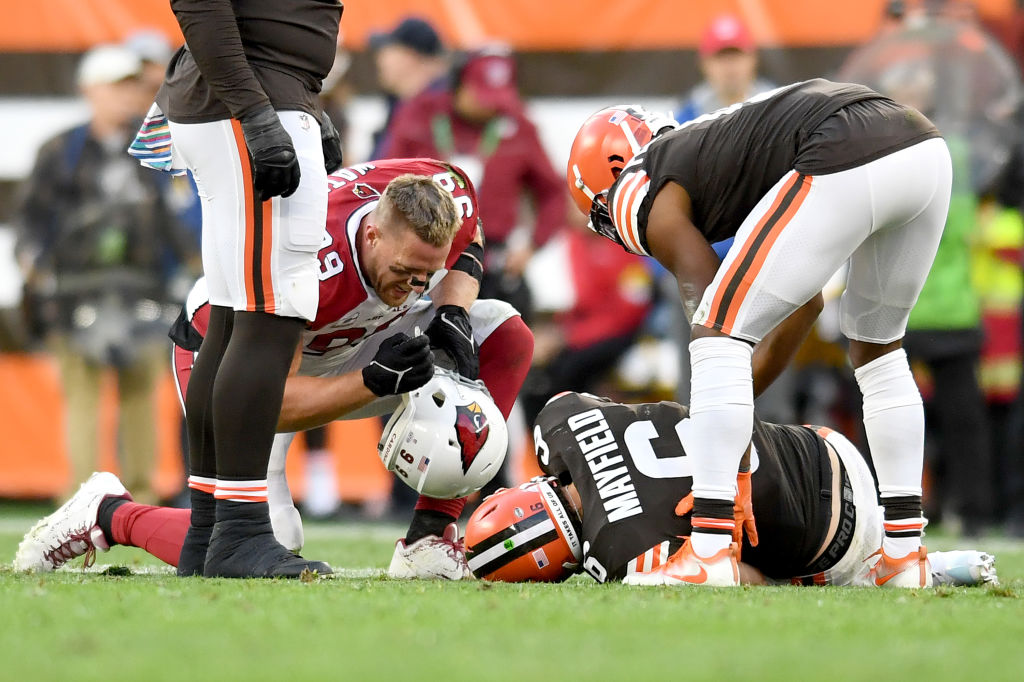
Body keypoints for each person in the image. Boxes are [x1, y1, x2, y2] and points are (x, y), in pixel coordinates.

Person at [566, 80, 951, 587]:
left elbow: (715, 326)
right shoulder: (722, 158)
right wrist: (734, 450)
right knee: (878, 353)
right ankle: (903, 558)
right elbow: (804, 301)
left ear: (611, 172)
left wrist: (725, 466)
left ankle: (707, 551)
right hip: (922, 149)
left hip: (845, 147)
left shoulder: (636, 184)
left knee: (715, 331)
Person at [170, 160, 533, 578]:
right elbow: (266, 405)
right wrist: (374, 379)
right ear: (372, 235)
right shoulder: (309, 260)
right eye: (403, 271)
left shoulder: (449, 194)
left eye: (426, 275)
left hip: (340, 341)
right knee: (254, 539)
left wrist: (453, 309)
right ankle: (111, 515)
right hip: (236, 363)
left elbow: (471, 236)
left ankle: (429, 538)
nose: (415, 288)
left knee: (504, 333)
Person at [151, 0, 344, 578]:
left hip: (256, 102)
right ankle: (238, 533)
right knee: (269, 317)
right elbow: (200, 5)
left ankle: (210, 531)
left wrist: (303, 104)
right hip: (248, 108)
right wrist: (260, 114)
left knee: (236, 318)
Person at [464, 392, 998, 588]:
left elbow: (741, 576)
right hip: (826, 448)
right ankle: (905, 554)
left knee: (734, 564)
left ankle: (881, 570)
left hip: (832, 545)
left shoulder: (620, 554)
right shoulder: (562, 418)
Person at [13, 45, 199, 505]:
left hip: (144, 292)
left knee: (140, 398)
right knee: (82, 398)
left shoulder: (159, 150)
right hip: (75, 294)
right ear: (89, 91)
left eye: (133, 86)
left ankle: (139, 500)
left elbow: (179, 221)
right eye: (117, 86)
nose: (128, 96)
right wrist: (35, 271)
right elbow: (31, 222)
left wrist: (192, 274)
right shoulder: (60, 152)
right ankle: (80, 500)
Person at [382, 47, 566, 314]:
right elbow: (383, 181)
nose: (491, 104)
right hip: (422, 257)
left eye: (499, 96)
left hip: (491, 262)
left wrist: (532, 245)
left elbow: (554, 193)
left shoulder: (519, 126)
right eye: (482, 94)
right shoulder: (419, 115)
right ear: (458, 83)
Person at [367, 16, 449, 161]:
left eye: (387, 51)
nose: (379, 59)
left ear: (409, 55)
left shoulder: (435, 112)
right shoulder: (403, 106)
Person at [676, 14, 777, 122]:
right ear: (704, 63)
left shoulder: (777, 106)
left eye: (735, 56)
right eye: (720, 57)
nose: (729, 66)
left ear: (753, 59)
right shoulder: (687, 116)